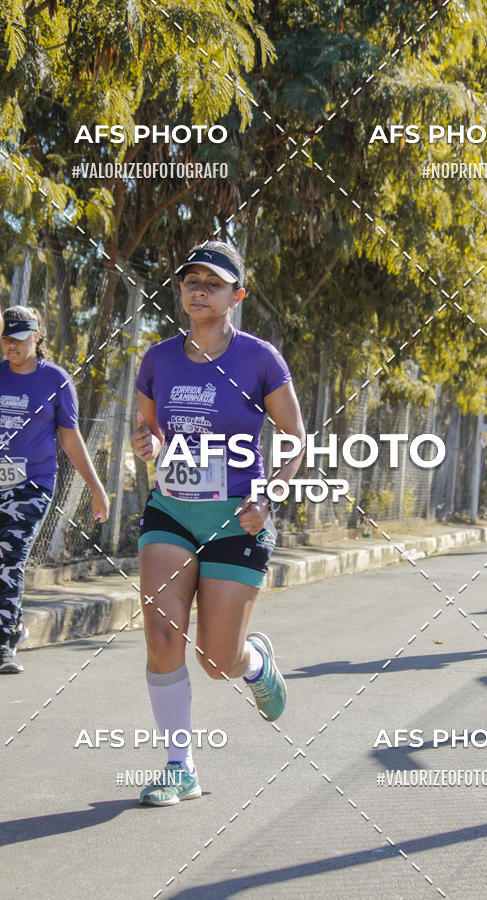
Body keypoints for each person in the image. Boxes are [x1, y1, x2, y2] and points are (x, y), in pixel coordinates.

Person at [132, 241, 305, 806]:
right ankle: (179, 766)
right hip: (172, 511)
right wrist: (146, 443)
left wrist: (269, 495)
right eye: (190, 280)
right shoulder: (158, 358)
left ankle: (254, 663)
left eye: (213, 281)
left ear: (238, 294)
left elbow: (295, 439)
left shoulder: (259, 359)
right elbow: (150, 432)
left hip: (236, 517)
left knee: (216, 661)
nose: (198, 288)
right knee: (161, 636)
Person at [0, 305, 110, 673]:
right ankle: (13, 625)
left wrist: (96, 488)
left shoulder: (56, 381)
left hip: (31, 486)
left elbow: (71, 439)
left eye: (18, 338)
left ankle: (3, 643)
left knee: (10, 555)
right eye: (5, 338)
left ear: (37, 336)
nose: (11, 345)